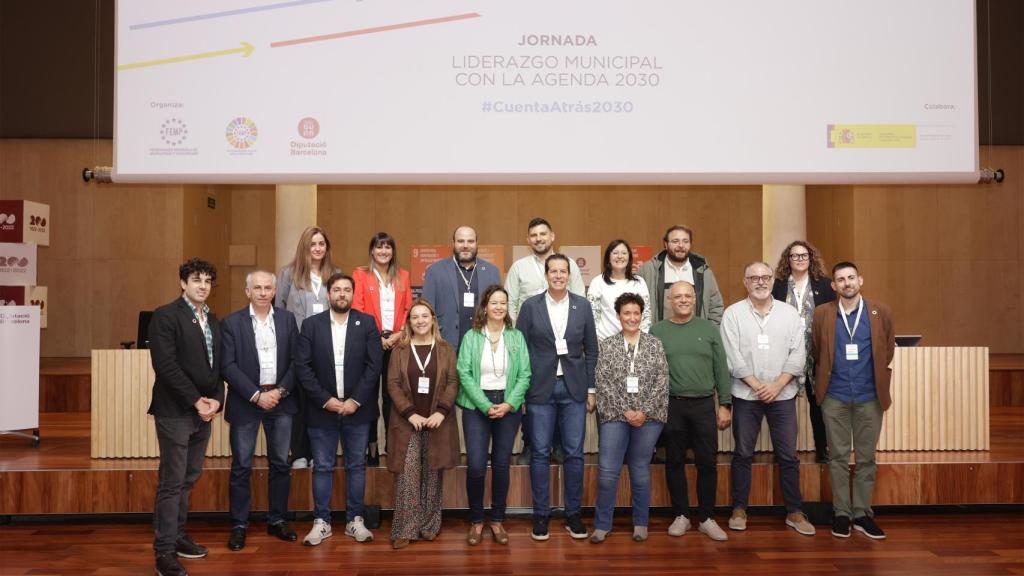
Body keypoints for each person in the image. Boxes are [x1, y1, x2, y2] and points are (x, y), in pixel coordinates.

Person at [721, 262, 815, 536]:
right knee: (742, 454)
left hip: (783, 395)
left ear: (773, 280)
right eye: (754, 278)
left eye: (765, 277)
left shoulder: (789, 314)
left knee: (788, 456)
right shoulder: (733, 314)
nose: (760, 282)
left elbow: (798, 355)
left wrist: (776, 385)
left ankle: (794, 511)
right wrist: (757, 384)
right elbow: (732, 357)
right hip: (745, 395)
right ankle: (739, 508)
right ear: (745, 282)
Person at [148, 258, 224, 576]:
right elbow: (165, 366)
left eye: (207, 280)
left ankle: (178, 537)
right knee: (171, 482)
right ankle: (163, 552)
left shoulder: (213, 320)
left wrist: (216, 402)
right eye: (196, 279)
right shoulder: (166, 316)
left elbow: (217, 367)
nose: (202, 285)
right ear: (183, 283)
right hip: (175, 411)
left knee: (188, 480)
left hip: (203, 413)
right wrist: (196, 401)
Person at [294, 273, 382, 546]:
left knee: (356, 465)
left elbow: (374, 365)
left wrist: (355, 400)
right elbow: (302, 367)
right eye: (336, 290)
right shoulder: (311, 325)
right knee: (322, 466)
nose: (341, 294)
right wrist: (325, 400)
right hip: (322, 409)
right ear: (328, 294)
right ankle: (322, 522)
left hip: (358, 409)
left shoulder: (366, 323)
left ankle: (355, 520)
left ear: (353, 294)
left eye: (346, 290)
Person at [516, 253, 599, 541]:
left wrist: (591, 389)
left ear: (570, 275)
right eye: (554, 271)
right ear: (546, 275)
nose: (559, 276)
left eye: (564, 271)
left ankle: (573, 513)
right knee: (539, 452)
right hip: (540, 389)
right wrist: (522, 391)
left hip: (574, 389)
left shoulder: (583, 306)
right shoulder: (530, 306)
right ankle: (541, 516)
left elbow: (591, 350)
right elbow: (520, 351)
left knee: (574, 453)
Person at [812, 262, 895, 540]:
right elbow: (817, 350)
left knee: (866, 458)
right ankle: (841, 514)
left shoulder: (880, 312)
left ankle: (861, 513)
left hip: (869, 396)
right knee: (836, 457)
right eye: (840, 280)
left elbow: (887, 348)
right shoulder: (823, 314)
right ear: (833, 286)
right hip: (834, 396)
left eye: (851, 278)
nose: (846, 283)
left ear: (860, 280)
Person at [221, 271, 300, 551]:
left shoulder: (288, 320)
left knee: (280, 464)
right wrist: (256, 395)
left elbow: (296, 360)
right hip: (246, 402)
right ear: (247, 291)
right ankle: (239, 525)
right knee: (241, 466)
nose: (263, 292)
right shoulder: (231, 323)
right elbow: (227, 366)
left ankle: (277, 519)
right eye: (257, 288)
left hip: (281, 401)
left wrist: (278, 392)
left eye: (268, 288)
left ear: (275, 290)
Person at [650, 281, 732, 542]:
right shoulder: (657, 330)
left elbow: (721, 367)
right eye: (678, 296)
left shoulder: (708, 328)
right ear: (669, 301)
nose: (683, 300)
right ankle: (681, 515)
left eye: (687, 296)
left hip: (704, 405)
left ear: (695, 299)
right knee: (674, 461)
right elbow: (650, 371)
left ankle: (706, 518)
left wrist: (725, 404)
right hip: (671, 405)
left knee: (707, 462)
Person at [456, 285, 531, 546]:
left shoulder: (516, 336)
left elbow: (525, 374)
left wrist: (509, 403)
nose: (499, 307)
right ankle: (477, 521)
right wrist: (484, 404)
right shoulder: (472, 336)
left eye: (503, 303)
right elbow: (463, 372)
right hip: (476, 405)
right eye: (494, 303)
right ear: (485, 306)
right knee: (476, 466)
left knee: (501, 465)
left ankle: (497, 520)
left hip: (508, 406)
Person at [591, 293, 668, 544]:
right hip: (615, 415)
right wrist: (626, 410)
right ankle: (602, 525)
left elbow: (661, 382)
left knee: (640, 470)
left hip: (649, 417)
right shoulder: (609, 345)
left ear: (642, 315)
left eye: (636, 313)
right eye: (627, 313)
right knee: (607, 472)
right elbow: (603, 383)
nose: (632, 318)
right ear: (618, 316)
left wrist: (643, 411)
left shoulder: (655, 344)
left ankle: (640, 523)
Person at [385, 299, 461, 549]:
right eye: (415, 317)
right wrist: (409, 413)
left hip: (437, 421)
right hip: (408, 422)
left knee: (433, 474)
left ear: (432, 320)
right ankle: (405, 529)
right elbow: (393, 385)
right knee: (407, 476)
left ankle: (429, 526)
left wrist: (441, 411)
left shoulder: (445, 348)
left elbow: (452, 382)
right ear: (409, 322)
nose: (420, 321)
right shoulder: (400, 350)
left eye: (424, 316)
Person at [277, 226, 340, 469]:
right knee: (298, 400)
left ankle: (319, 453)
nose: (317, 248)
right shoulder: (287, 274)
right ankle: (300, 453)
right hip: (297, 345)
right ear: (305, 246)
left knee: (322, 399)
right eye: (313, 244)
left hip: (328, 346)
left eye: (321, 244)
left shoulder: (335, 273)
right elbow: (280, 310)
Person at [352, 232, 413, 466]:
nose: (383, 252)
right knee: (367, 396)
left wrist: (398, 335)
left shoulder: (403, 276)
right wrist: (376, 337)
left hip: (397, 343)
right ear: (372, 251)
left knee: (392, 396)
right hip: (369, 343)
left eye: (388, 247)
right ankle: (371, 448)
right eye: (379, 247)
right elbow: (357, 308)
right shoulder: (361, 275)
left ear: (393, 251)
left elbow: (409, 309)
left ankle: (392, 445)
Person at [772, 240, 836, 463]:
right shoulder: (777, 285)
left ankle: (822, 449)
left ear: (811, 259)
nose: (799, 259)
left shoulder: (826, 285)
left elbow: (832, 320)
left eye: (804, 255)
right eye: (794, 256)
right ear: (787, 260)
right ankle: (785, 453)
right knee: (783, 405)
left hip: (815, 354)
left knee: (818, 403)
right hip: (785, 354)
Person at [421, 226, 501, 349]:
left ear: (476, 243)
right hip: (445, 343)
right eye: (460, 241)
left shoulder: (492, 272)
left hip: (484, 344)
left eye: (470, 241)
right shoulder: (435, 271)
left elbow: (499, 309)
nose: (465, 245)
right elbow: (425, 310)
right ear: (453, 243)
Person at [638, 224, 724, 325]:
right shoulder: (648, 270)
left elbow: (716, 307)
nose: (681, 245)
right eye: (675, 241)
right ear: (666, 244)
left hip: (694, 337)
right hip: (659, 337)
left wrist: (707, 333)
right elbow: (636, 306)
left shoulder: (703, 272)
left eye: (685, 241)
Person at [504, 217, 585, 321]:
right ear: (528, 240)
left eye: (543, 234)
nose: (538, 239)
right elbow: (510, 303)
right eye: (533, 235)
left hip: (564, 329)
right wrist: (515, 333)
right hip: (528, 332)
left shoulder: (569, 264)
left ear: (552, 236)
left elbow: (580, 299)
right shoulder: (518, 267)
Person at [587, 239, 652, 340]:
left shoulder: (639, 282)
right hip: (605, 342)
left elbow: (646, 316)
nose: (620, 256)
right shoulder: (597, 282)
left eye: (624, 253)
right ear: (608, 257)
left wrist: (641, 341)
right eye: (615, 253)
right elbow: (592, 317)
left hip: (635, 342)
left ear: (629, 257)